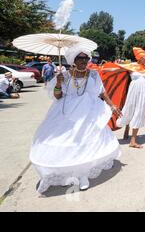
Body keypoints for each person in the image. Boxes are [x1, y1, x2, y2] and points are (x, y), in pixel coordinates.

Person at [29, 46, 122, 193]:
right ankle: (67, 173)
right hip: (67, 114)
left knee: (85, 143)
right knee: (68, 143)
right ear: (74, 60)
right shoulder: (64, 75)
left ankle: (83, 175)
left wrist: (112, 105)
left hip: (90, 113)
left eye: (86, 58)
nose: (84, 61)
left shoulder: (93, 74)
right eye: (80, 58)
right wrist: (59, 83)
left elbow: (102, 92)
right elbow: (57, 96)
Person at [117, 47, 145, 149]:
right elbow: (116, 69)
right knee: (129, 109)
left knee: (139, 112)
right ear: (139, 58)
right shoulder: (132, 66)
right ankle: (126, 130)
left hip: (144, 91)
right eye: (144, 57)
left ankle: (133, 140)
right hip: (133, 91)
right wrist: (101, 68)